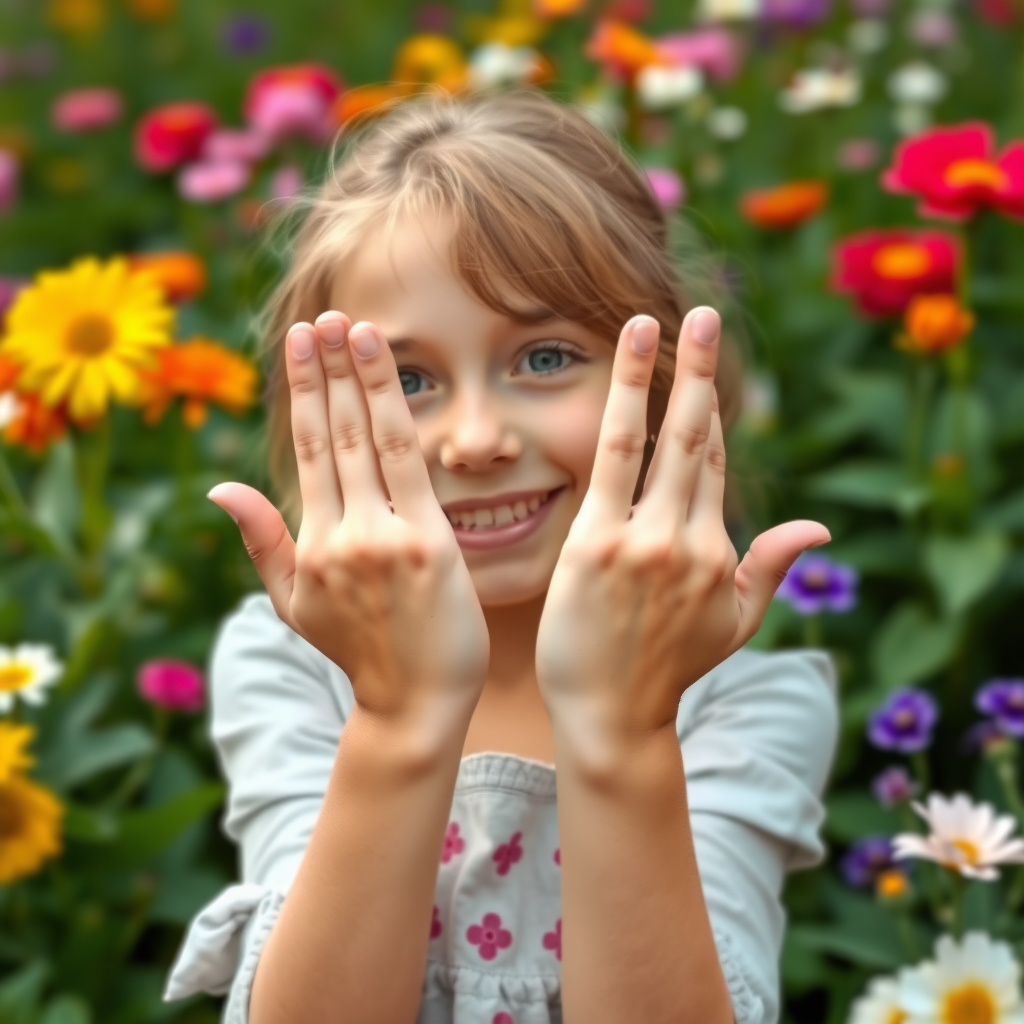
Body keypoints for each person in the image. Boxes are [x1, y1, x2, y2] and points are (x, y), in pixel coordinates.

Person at [161, 87, 838, 1024]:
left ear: (667, 388)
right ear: (317, 413)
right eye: (406, 378)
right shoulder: (295, 668)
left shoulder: (739, 703)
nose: (474, 438)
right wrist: (400, 719)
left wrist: (621, 730)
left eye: (547, 357)